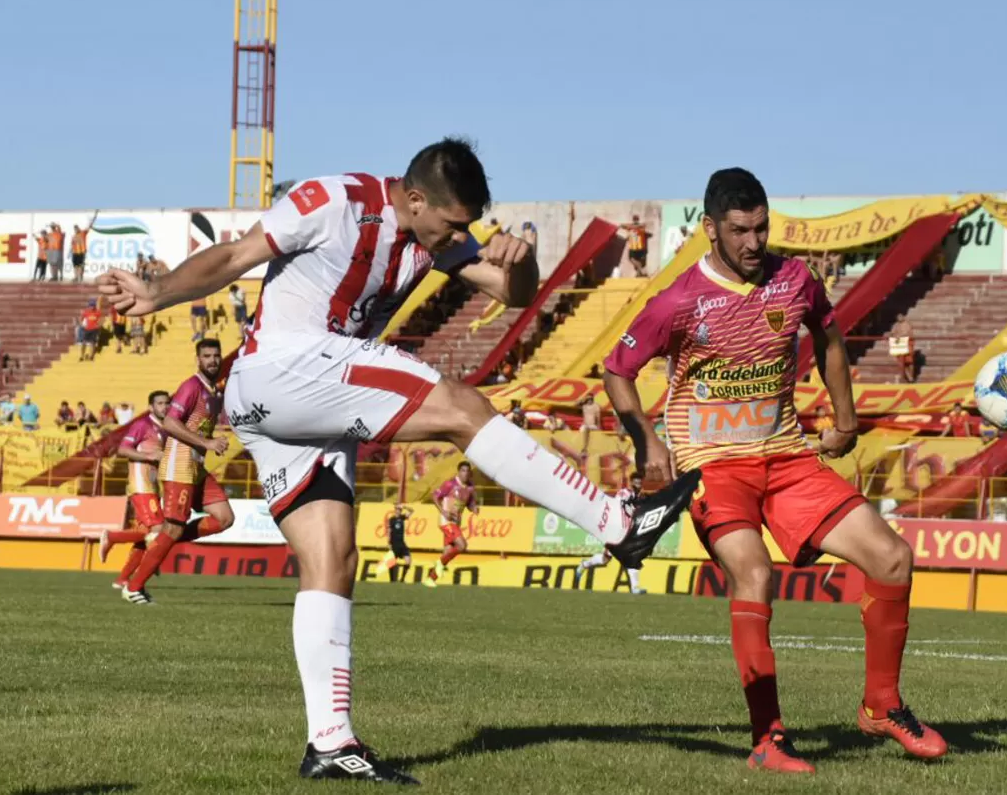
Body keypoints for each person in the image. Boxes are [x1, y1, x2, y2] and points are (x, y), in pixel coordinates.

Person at [98, 138, 695, 783]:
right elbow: (237, 254)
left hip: (293, 401)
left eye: (469, 225)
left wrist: (521, 261)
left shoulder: (436, 237)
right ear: (414, 199)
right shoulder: (334, 200)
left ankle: (330, 742)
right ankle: (617, 523)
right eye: (454, 223)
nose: (462, 236)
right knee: (465, 408)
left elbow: (514, 293)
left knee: (332, 560)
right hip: (286, 367)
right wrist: (156, 292)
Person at [603, 167, 945, 775]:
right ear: (709, 229)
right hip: (712, 467)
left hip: (787, 457)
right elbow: (617, 370)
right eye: (739, 231)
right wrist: (645, 438)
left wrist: (845, 418)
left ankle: (882, 706)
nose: (754, 243)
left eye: (762, 228)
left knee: (893, 559)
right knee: (754, 572)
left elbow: (829, 337)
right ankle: (769, 739)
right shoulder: (677, 300)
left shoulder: (796, 280)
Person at [116, 340, 236, 604]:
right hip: (178, 466)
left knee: (224, 518)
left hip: (196, 467)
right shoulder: (191, 386)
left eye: (216, 355)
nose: (213, 360)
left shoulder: (215, 391)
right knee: (173, 529)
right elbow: (170, 422)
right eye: (207, 356)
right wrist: (208, 443)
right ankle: (134, 587)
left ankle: (161, 541)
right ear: (198, 359)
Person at [99, 390, 171, 590]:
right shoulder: (142, 425)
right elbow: (123, 449)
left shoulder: (165, 429)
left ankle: (122, 579)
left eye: (167, 403)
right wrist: (149, 457)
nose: (164, 407)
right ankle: (111, 537)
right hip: (141, 485)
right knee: (158, 530)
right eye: (160, 403)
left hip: (153, 486)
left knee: (144, 534)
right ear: (151, 407)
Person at [574, 473, 647, 594]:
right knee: (605, 559)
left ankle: (635, 588)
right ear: (632, 482)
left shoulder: (641, 497)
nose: (638, 484)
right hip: (617, 530)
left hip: (628, 532)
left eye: (640, 481)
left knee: (630, 557)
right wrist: (632, 501)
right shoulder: (625, 492)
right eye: (636, 481)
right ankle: (585, 564)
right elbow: (618, 503)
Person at [423, 461, 478, 588]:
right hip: (446, 521)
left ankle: (431, 579)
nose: (465, 473)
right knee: (462, 545)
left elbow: (469, 503)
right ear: (458, 472)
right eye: (463, 471)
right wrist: (443, 512)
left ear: (470, 473)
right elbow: (435, 496)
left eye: (467, 471)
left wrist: (474, 508)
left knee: (448, 552)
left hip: (456, 522)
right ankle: (439, 563)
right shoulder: (450, 484)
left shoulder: (470, 487)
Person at [371, 504, 415, 581]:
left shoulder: (402, 517)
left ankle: (402, 579)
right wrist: (389, 543)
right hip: (394, 543)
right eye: (397, 509)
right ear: (395, 510)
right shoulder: (392, 519)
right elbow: (389, 531)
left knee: (408, 560)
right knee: (391, 562)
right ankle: (391, 580)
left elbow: (412, 511)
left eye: (399, 509)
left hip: (402, 543)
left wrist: (404, 506)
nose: (398, 511)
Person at [888, 313, 916, 383]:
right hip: (899, 346)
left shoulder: (907, 324)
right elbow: (892, 333)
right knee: (901, 362)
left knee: (909, 362)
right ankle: (907, 377)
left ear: (903, 317)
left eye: (900, 316)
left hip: (907, 345)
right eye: (898, 317)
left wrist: (900, 336)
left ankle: (911, 377)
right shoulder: (895, 325)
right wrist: (893, 335)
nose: (899, 318)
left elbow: (909, 334)